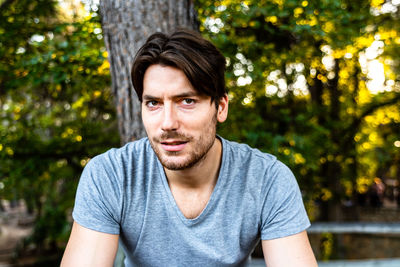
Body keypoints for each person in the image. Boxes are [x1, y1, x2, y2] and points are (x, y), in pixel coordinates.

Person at [61, 29, 317, 267]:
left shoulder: (267, 179)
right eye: (153, 103)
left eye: (187, 101)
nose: (168, 123)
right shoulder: (110, 175)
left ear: (221, 107)